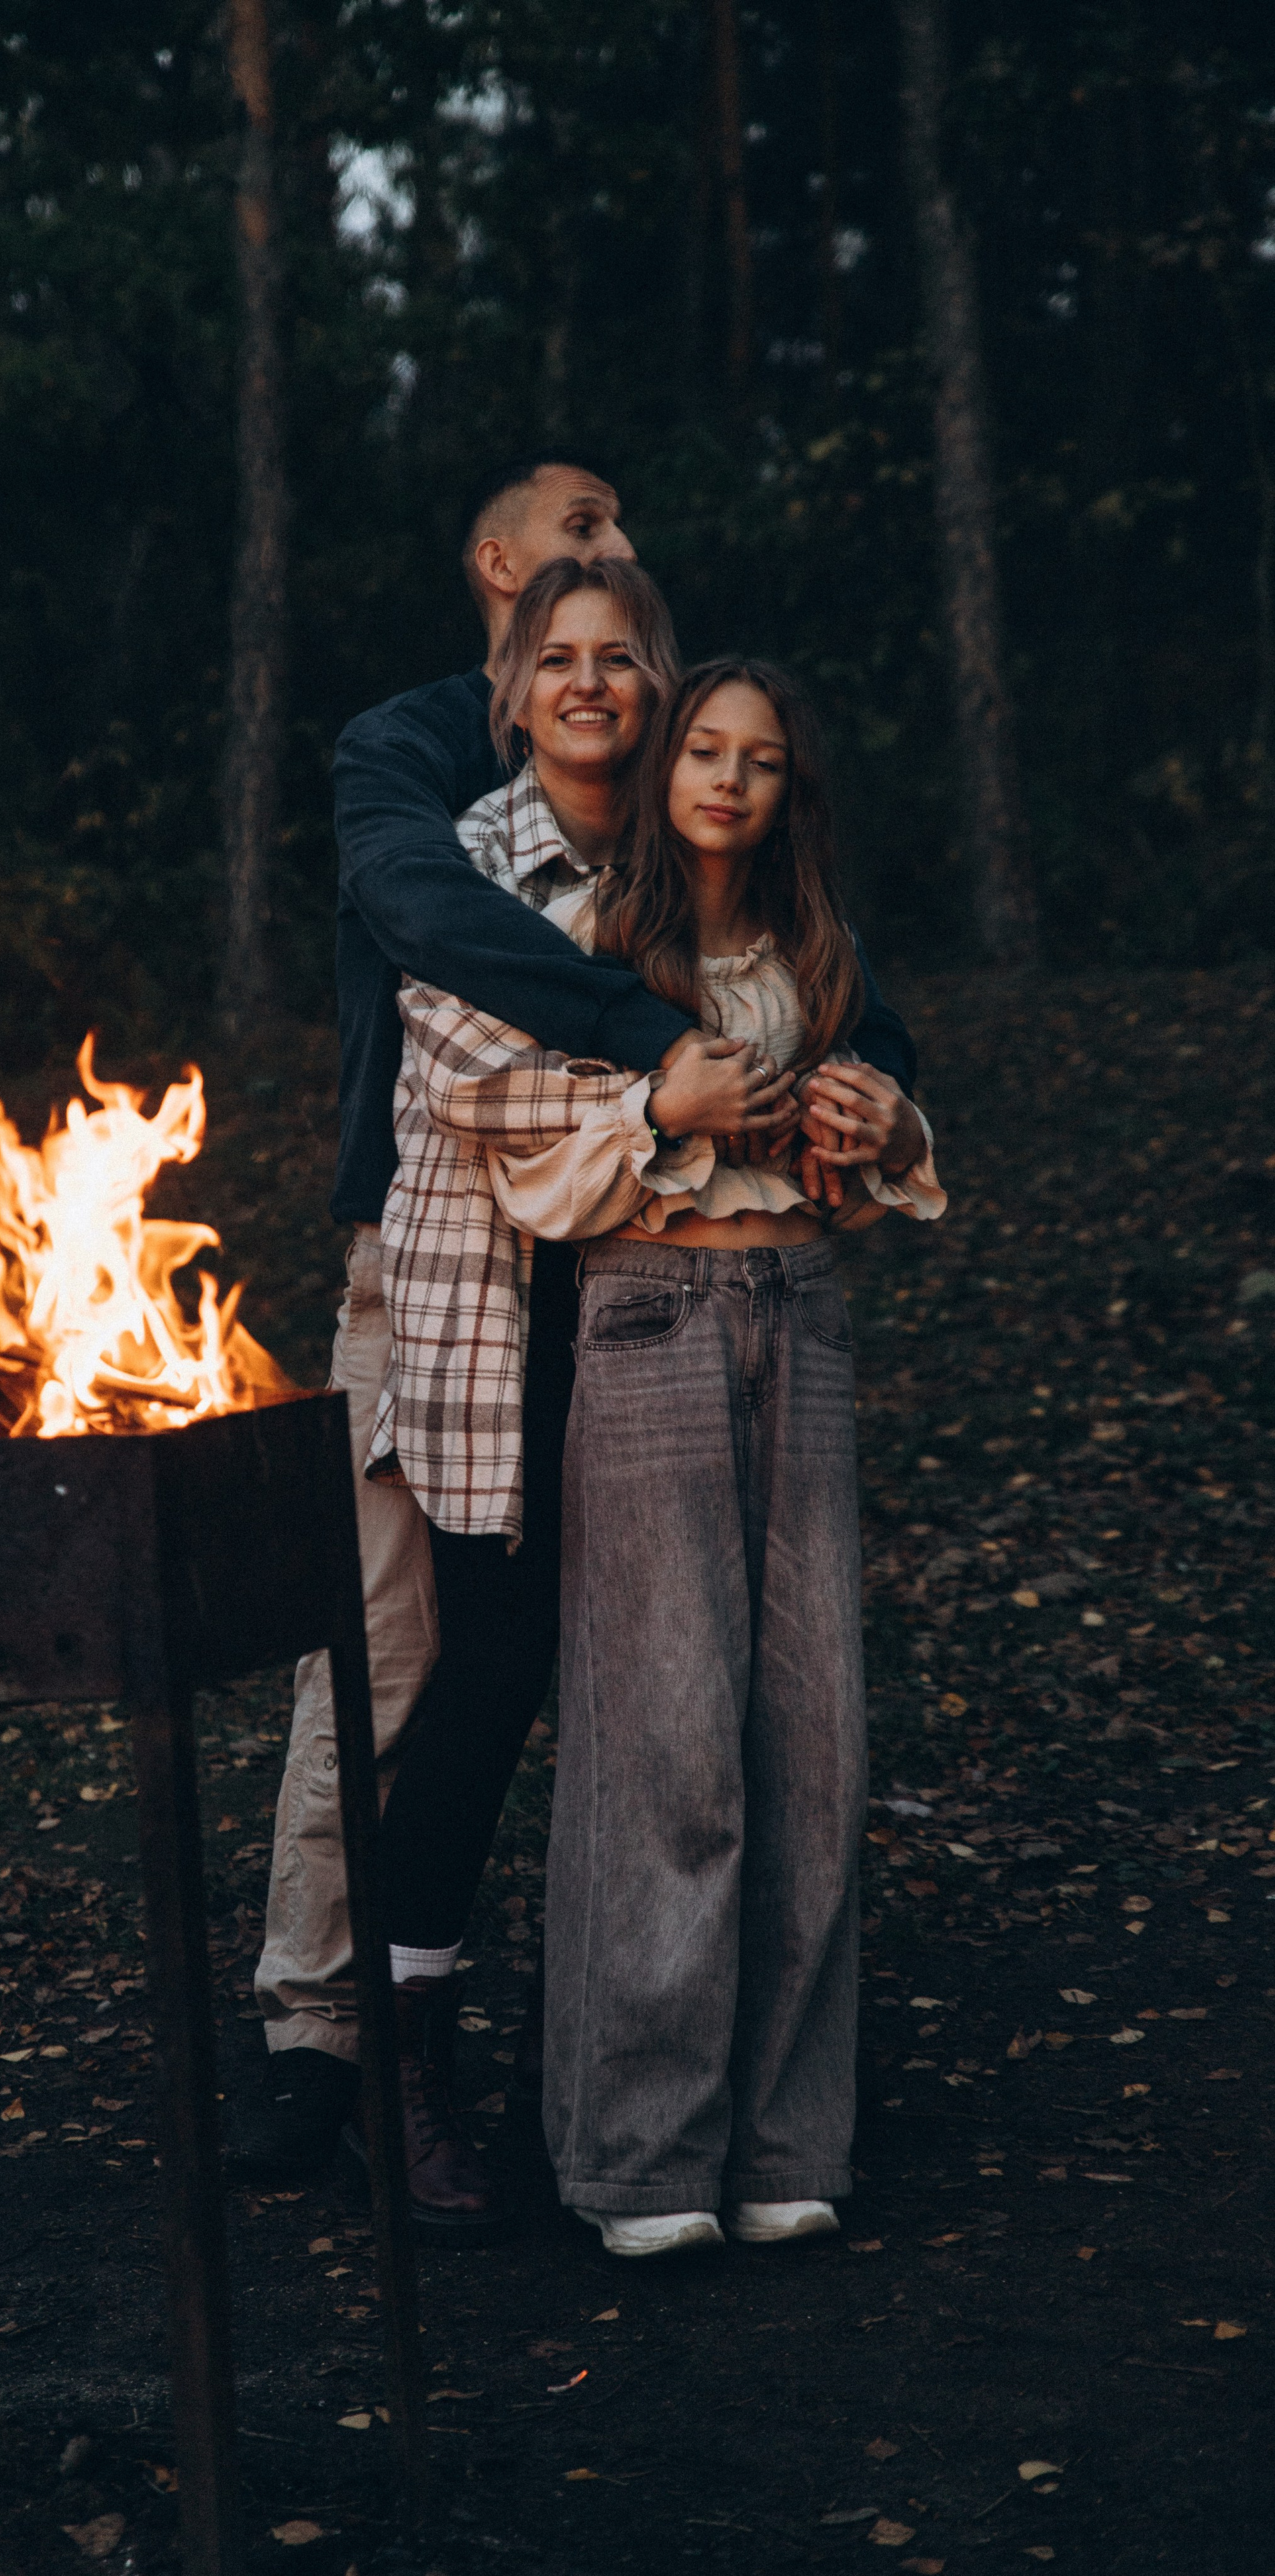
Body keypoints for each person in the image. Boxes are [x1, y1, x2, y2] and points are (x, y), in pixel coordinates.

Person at [234, 458, 919, 2212]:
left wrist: (868, 1092)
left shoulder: (687, 806)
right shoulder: (415, 767)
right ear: (506, 597)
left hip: (644, 1305)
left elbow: (828, 976)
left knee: (626, 1676)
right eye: (581, 570)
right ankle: (344, 2053)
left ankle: (632, 2070)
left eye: (625, 620)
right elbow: (442, 971)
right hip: (450, 1277)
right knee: (420, 1663)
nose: (612, 616)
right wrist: (655, 1058)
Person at [419, 656, 944, 2257]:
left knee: (810, 1735)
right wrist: (661, 1107)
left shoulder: (813, 947)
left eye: (761, 760)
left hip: (800, 1311)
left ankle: (786, 2138)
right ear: (664, 769)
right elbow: (516, 1161)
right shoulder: (588, 947)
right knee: (663, 1740)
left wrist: (875, 1137)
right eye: (704, 750)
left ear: (791, 790)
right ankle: (640, 2152)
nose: (727, 779)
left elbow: (880, 1172)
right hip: (643, 1317)